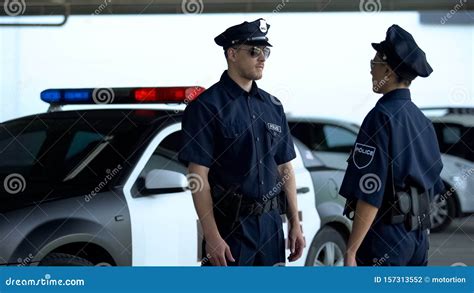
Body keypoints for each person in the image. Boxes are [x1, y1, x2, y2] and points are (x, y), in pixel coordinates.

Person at [178, 18, 305, 266]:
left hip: (271, 227)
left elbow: (284, 168)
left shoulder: (273, 106)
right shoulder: (205, 107)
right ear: (232, 54)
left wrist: (295, 224)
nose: (263, 58)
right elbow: (198, 175)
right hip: (231, 229)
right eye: (254, 51)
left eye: (265, 52)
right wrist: (211, 235)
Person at [340, 25, 445, 266]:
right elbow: (433, 186)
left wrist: (351, 250)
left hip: (385, 239)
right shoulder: (423, 121)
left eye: (373, 65)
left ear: (387, 70)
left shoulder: (380, 117)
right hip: (418, 239)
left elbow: (370, 191)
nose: (370, 72)